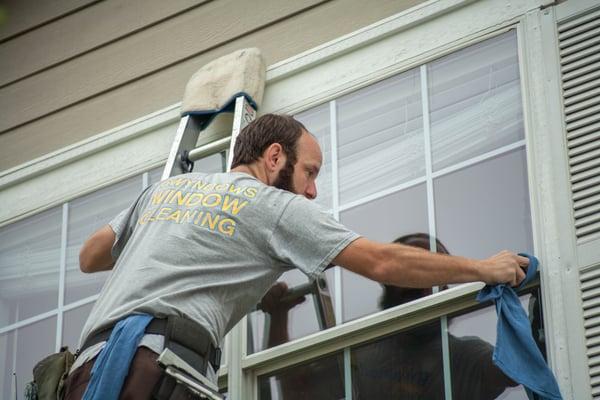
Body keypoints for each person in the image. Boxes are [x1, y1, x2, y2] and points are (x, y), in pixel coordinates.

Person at [65, 114, 529, 399]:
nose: (311, 190)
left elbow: (89, 256)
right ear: (273, 158)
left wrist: (172, 238)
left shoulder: (166, 191)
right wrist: (481, 269)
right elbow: (382, 263)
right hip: (156, 375)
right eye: (309, 172)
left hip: (88, 374)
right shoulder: (272, 206)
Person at [260, 233, 521, 400]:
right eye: (411, 273)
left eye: (432, 273)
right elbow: (297, 393)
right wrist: (278, 318)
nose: (421, 285)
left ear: (445, 287)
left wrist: (527, 291)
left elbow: (519, 368)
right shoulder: (358, 353)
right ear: (387, 282)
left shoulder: (464, 358)